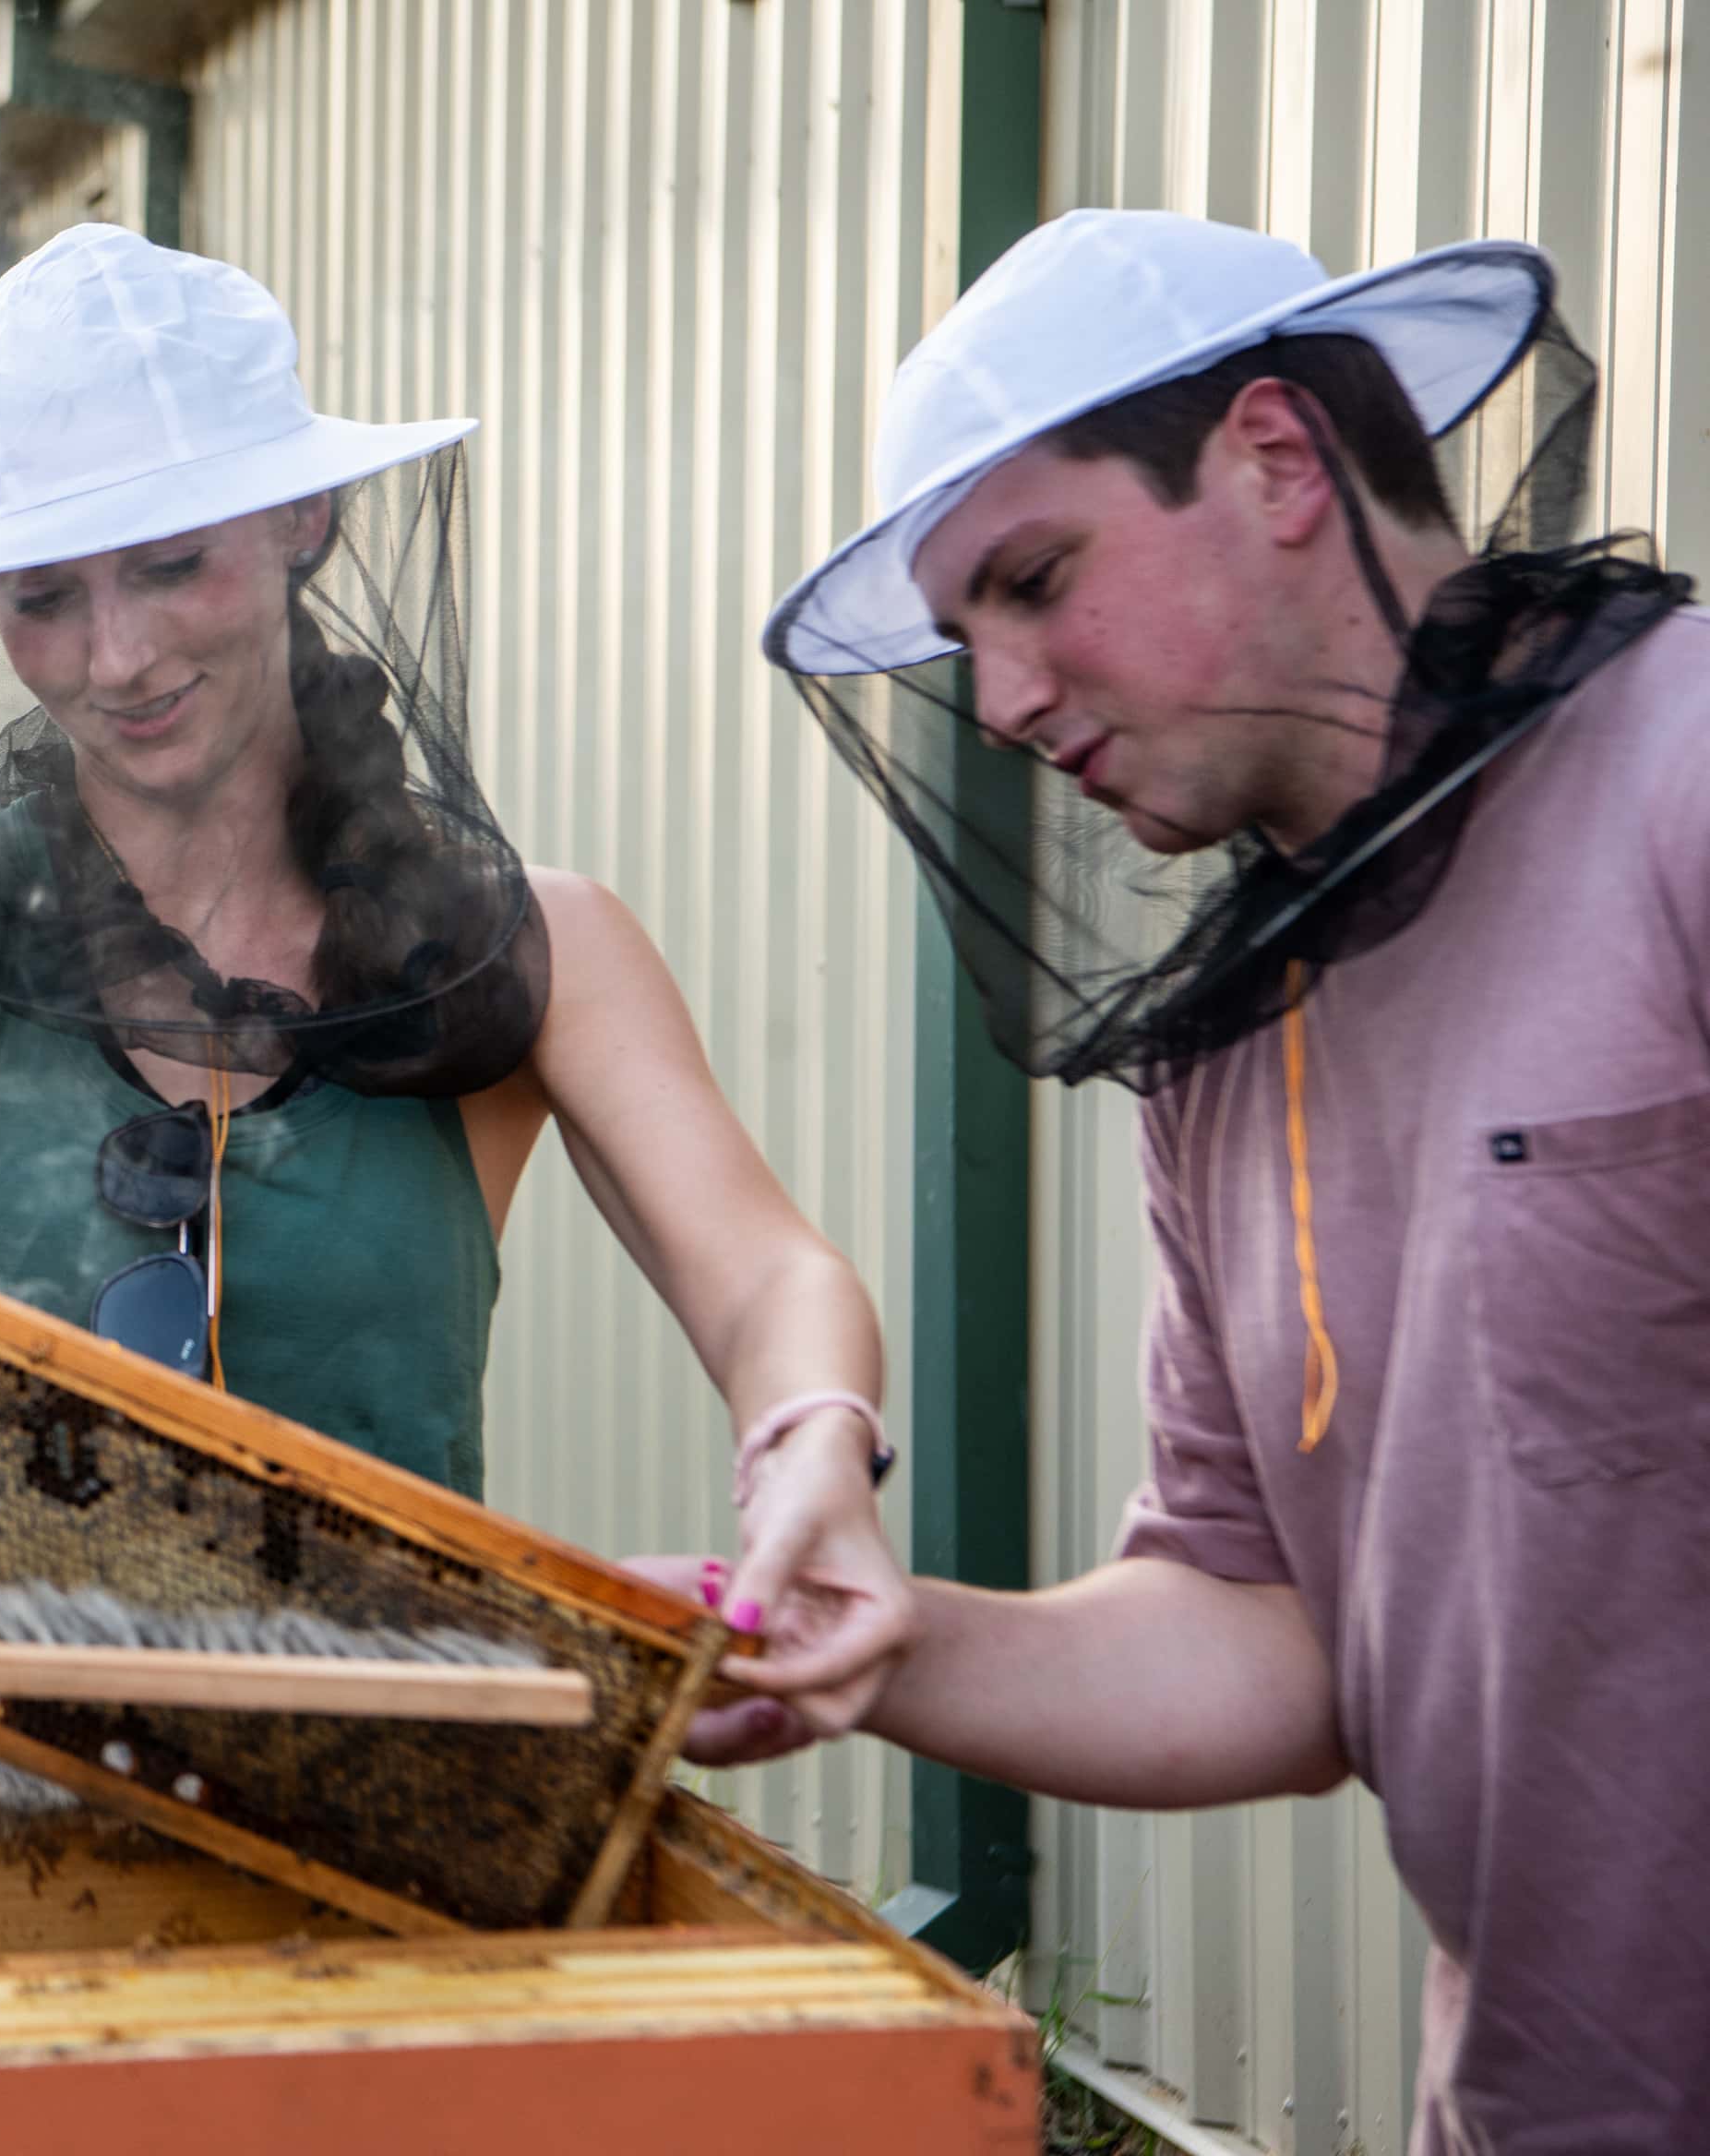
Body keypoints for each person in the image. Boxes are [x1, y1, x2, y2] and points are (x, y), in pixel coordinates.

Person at [0, 223, 907, 1712]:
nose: (120, 655)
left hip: (406, 1818)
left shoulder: (532, 949)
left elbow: (769, 1274)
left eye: (169, 565)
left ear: (301, 521)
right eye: (44, 597)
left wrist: (815, 1440)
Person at [723, 207, 1704, 2151]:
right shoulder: (1228, 1051)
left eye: (1032, 578)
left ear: (1270, 460)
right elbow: (1263, 1638)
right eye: (965, 635)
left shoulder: (1681, 770)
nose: (997, 700)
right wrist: (881, 1638)